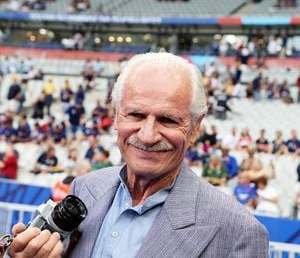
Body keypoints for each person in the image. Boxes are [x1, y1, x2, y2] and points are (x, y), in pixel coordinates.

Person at [9, 52, 268, 257]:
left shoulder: (238, 232)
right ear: (115, 117)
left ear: (195, 128)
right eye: (136, 115)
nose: (147, 135)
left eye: (167, 120)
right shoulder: (85, 188)